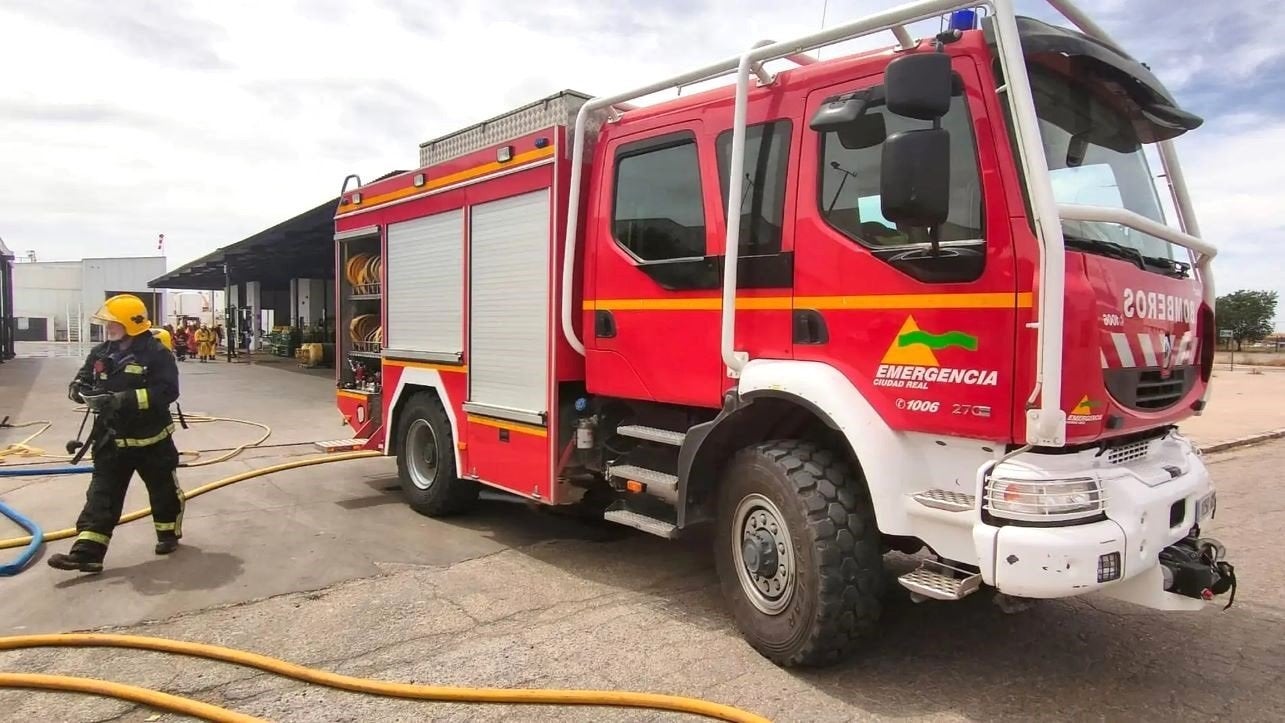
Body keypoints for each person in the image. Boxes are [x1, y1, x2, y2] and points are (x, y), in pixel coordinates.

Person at [48, 294, 185, 573]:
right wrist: (78, 390)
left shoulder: (158, 354)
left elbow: (167, 392)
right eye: (107, 323)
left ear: (131, 324)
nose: (108, 328)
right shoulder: (101, 352)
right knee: (102, 495)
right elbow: (84, 377)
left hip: (152, 440)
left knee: (163, 492)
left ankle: (167, 533)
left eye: (114, 323)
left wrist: (123, 399)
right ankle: (87, 553)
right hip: (111, 438)